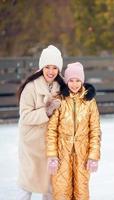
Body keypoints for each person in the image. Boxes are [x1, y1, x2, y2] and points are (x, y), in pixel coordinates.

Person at [46, 62, 101, 200]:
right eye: (71, 80)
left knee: (81, 190)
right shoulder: (60, 100)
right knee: (61, 189)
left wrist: (93, 156)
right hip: (61, 154)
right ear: (66, 81)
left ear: (82, 81)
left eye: (78, 80)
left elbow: (95, 130)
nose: (74, 84)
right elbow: (51, 130)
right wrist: (52, 155)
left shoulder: (89, 102)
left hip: (83, 155)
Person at [17, 45, 65, 200]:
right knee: (27, 184)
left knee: (50, 185)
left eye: (54, 68)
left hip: (51, 144)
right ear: (41, 67)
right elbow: (25, 116)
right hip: (31, 143)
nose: (51, 71)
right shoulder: (31, 87)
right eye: (47, 67)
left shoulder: (62, 87)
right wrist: (46, 111)